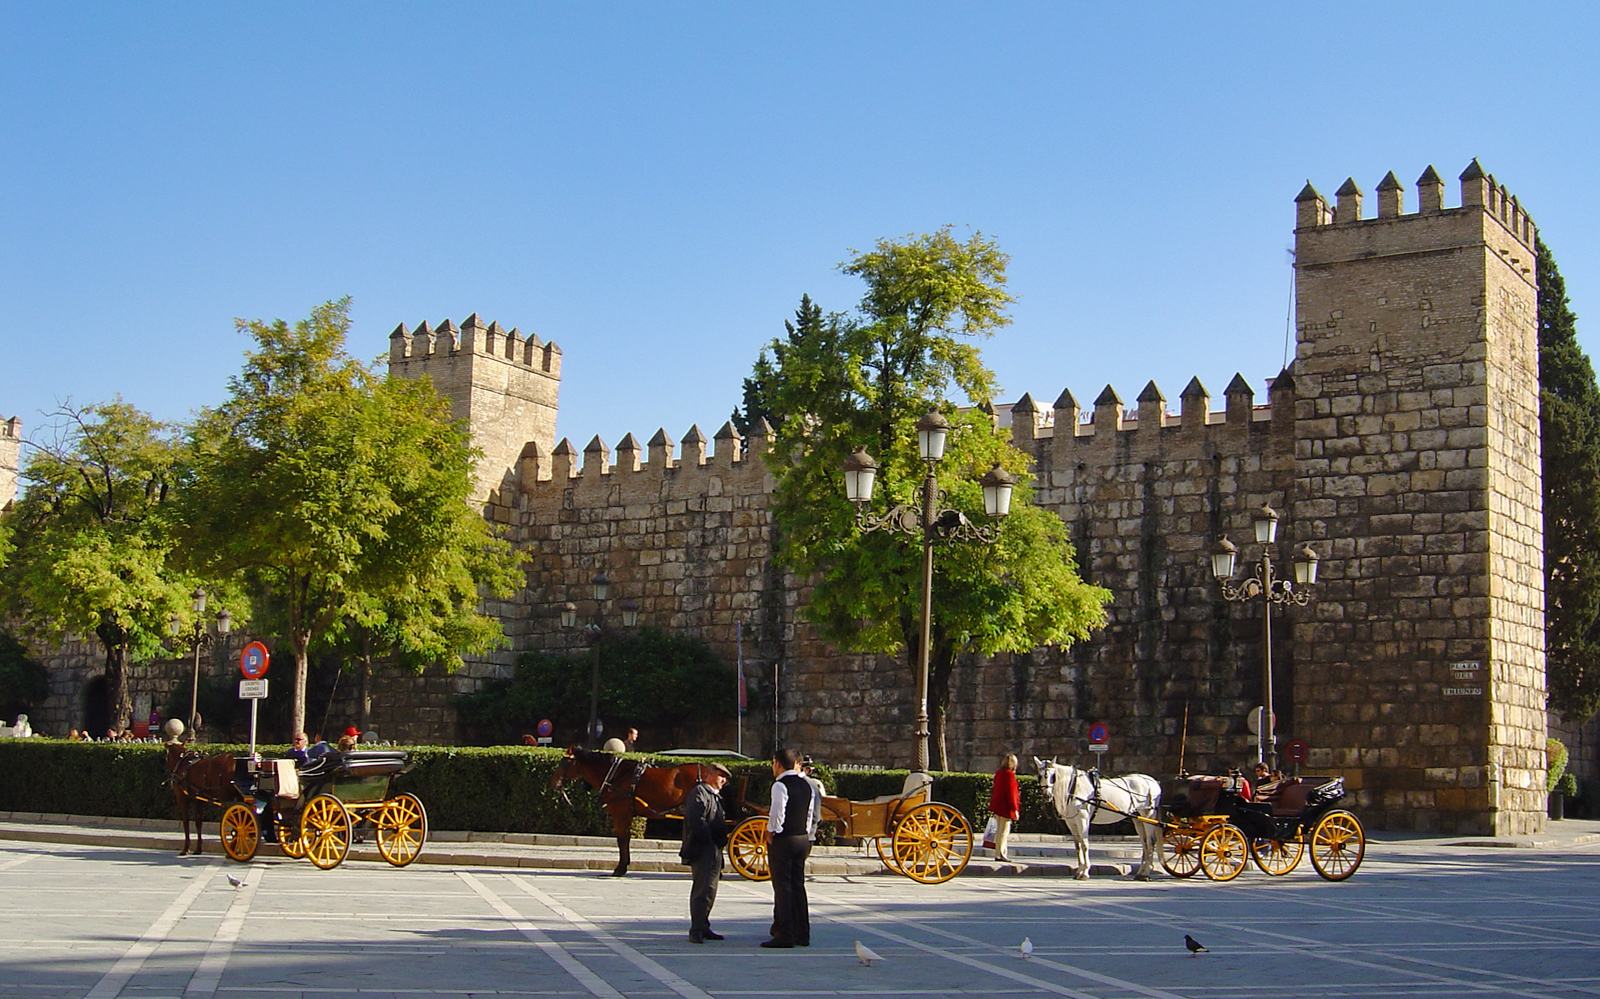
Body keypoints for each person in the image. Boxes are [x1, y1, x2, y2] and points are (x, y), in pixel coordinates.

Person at [762, 748, 817, 949]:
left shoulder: (780, 785)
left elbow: (777, 813)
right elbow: (809, 814)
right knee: (798, 886)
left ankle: (785, 933)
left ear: (777, 763)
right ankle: (803, 933)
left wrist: (771, 831)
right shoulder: (806, 785)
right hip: (802, 838)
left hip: (784, 839)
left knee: (782, 887)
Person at [680, 762, 730, 944]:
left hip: (713, 849)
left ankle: (703, 924)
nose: (723, 780)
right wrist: (709, 841)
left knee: (711, 888)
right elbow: (696, 820)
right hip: (702, 848)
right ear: (709, 775)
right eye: (720, 776)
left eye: (725, 777)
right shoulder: (700, 793)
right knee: (702, 889)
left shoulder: (714, 796)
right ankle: (696, 929)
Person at [990, 753, 1021, 862]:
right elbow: (1011, 794)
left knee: (999, 831)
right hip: (1005, 808)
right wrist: (1015, 809)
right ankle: (1001, 854)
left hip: (997, 806)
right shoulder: (1009, 775)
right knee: (1003, 832)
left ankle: (998, 853)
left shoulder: (999, 773)